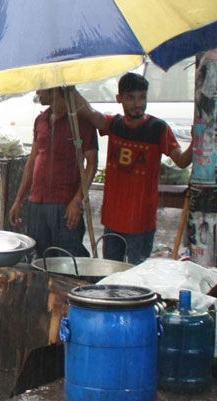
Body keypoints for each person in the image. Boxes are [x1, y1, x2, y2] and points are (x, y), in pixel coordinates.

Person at [74, 72, 192, 264]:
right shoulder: (114, 124)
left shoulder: (158, 128)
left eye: (142, 97)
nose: (138, 103)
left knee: (137, 278)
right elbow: (88, 112)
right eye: (131, 98)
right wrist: (69, 87)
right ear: (119, 99)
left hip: (141, 222)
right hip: (112, 220)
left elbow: (181, 161)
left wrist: (196, 142)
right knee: (110, 274)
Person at [8, 86, 99, 258]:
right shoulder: (40, 120)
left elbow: (92, 164)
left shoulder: (80, 121)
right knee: (40, 258)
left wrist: (77, 199)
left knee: (68, 258)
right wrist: (18, 199)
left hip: (64, 205)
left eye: (41, 89)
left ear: (56, 90)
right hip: (37, 202)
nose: (37, 93)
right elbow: (32, 161)